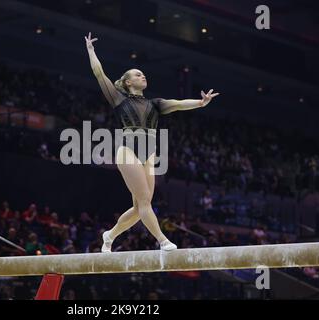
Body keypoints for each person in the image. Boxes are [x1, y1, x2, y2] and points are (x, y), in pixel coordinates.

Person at [85, 32, 219, 252]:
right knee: (145, 201)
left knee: (139, 207)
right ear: (128, 82)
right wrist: (91, 50)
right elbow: (99, 74)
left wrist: (200, 103)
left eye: (144, 74)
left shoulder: (155, 104)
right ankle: (163, 240)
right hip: (127, 150)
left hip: (148, 154)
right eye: (138, 75)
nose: (142, 76)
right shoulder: (119, 99)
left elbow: (177, 104)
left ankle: (109, 235)